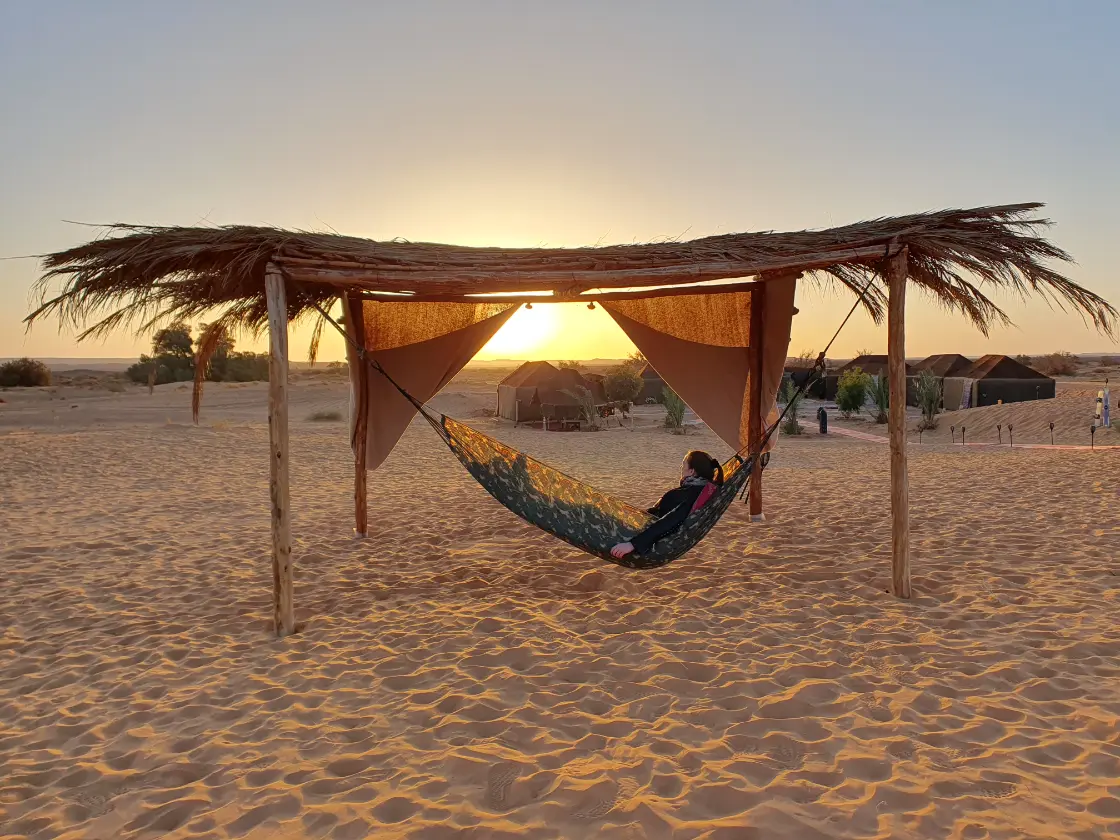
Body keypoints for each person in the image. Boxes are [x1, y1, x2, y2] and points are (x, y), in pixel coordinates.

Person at [610, 450, 723, 559]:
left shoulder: (689, 494)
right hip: (646, 526)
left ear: (692, 471)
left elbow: (671, 520)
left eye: (683, 464)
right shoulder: (702, 490)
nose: (681, 468)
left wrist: (633, 544)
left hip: (646, 538)